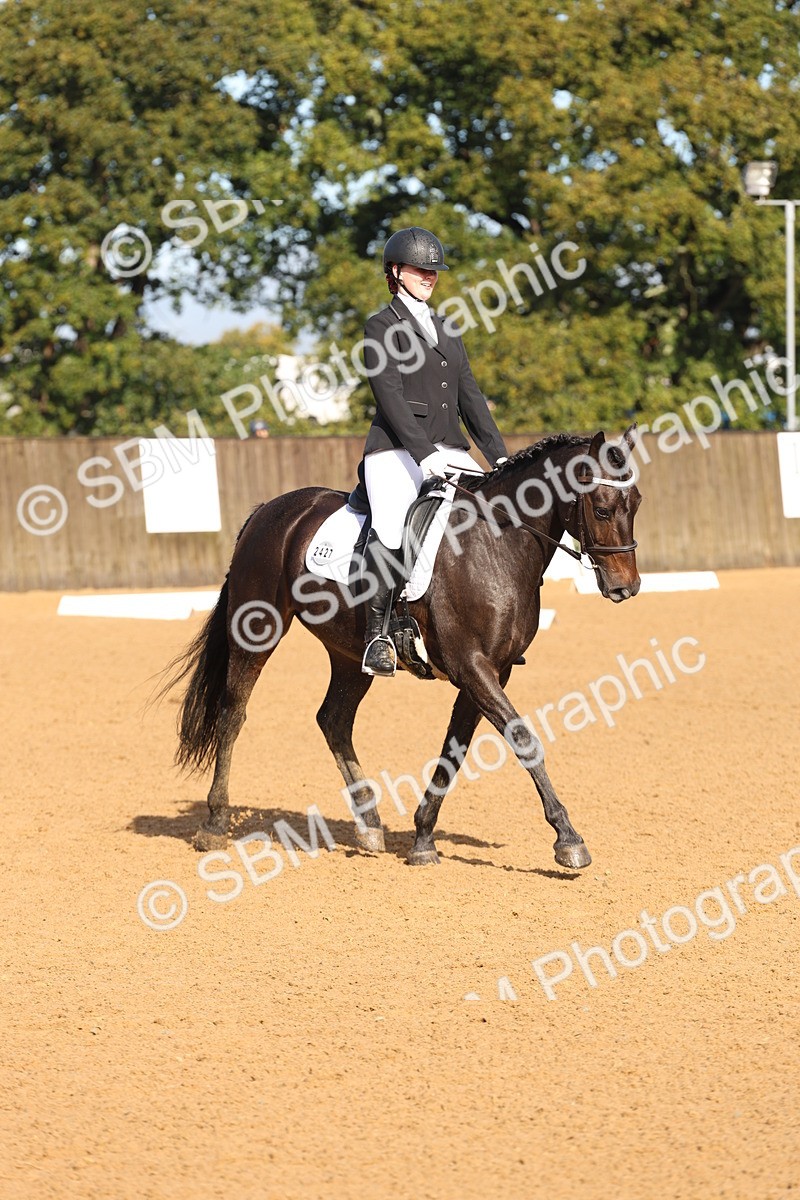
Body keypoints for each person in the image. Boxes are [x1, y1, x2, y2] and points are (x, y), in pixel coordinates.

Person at [360, 225, 509, 676]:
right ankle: (378, 637)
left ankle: (490, 627)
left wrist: (500, 458)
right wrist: (424, 454)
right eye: (420, 268)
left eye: (434, 270)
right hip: (395, 453)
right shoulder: (380, 326)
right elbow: (391, 398)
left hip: (449, 449)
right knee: (391, 525)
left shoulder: (447, 328)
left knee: (491, 515)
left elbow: (472, 398)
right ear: (395, 271)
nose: (429, 275)